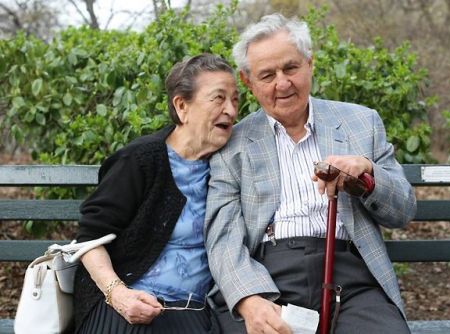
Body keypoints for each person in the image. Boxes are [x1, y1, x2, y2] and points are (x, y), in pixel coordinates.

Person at [204, 14, 417, 334]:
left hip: (352, 283)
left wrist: (367, 177)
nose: (283, 83)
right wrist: (249, 300)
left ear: (309, 63)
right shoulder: (232, 146)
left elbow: (403, 210)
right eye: (267, 75)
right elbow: (223, 240)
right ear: (248, 82)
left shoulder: (362, 123)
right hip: (269, 279)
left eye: (291, 68)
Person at [72, 53, 239, 334]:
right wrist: (119, 295)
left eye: (236, 100)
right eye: (219, 98)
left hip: (193, 312)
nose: (232, 111)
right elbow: (89, 239)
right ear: (182, 106)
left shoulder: (228, 163)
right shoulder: (141, 159)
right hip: (124, 305)